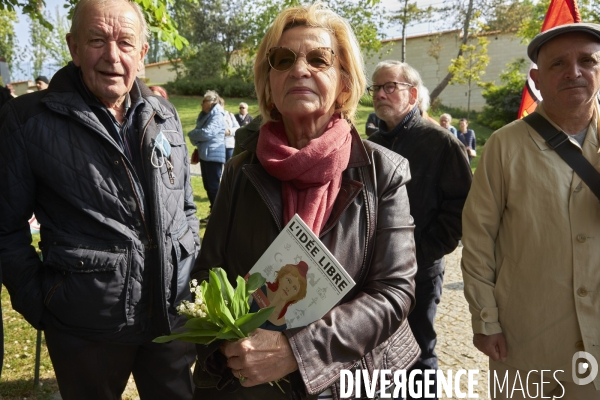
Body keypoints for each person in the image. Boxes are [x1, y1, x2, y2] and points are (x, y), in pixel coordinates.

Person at [192, 4, 420, 400]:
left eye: (319, 59)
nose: (300, 70)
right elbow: (210, 274)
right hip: (252, 387)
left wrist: (296, 351)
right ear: (269, 84)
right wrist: (226, 348)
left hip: (347, 382)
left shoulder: (384, 171)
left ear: (345, 83)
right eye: (283, 60)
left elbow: (394, 291)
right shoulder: (240, 170)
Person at [0, 0, 200, 398]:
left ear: (142, 54)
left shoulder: (165, 113)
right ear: (74, 47)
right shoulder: (27, 120)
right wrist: (42, 304)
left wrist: (187, 268)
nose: (112, 55)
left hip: (172, 316)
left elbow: (187, 207)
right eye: (97, 40)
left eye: (126, 43)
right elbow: (6, 229)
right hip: (85, 325)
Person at [461, 22, 600, 399]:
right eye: (558, 64)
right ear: (536, 79)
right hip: (529, 340)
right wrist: (485, 320)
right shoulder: (504, 147)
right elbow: (477, 240)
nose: (574, 72)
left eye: (587, 60)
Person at [367, 60, 472, 399]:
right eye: (376, 88)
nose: (380, 94)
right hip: (375, 271)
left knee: (418, 351)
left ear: (412, 94)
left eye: (390, 87)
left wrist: (421, 252)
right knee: (379, 349)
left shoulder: (441, 142)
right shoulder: (372, 142)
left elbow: (461, 209)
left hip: (420, 271)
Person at [188, 90, 226, 223]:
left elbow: (206, 133)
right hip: (206, 154)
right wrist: (197, 136)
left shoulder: (218, 115)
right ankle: (214, 214)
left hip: (213, 155)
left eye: (203, 101)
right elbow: (202, 133)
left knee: (213, 187)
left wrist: (192, 134)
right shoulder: (207, 115)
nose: (201, 104)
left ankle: (220, 217)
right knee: (209, 186)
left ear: (210, 102)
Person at [250, 261, 309, 331]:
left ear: (295, 296)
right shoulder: (261, 291)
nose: (288, 288)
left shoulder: (282, 327)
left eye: (294, 288)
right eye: (288, 280)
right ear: (281, 278)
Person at [219, 96, 240, 161]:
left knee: (229, 165)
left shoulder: (229, 115)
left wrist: (230, 131)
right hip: (217, 145)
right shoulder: (213, 116)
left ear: (223, 105)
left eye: (221, 104)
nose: (220, 107)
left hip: (229, 145)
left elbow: (238, 128)